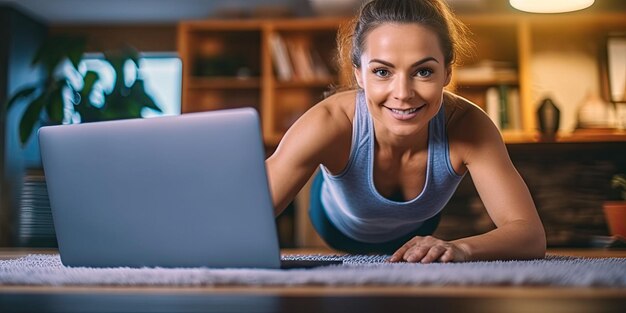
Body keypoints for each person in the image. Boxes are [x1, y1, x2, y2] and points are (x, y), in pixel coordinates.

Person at [265, 0, 546, 263]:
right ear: (359, 74)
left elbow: (529, 234)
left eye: (423, 71)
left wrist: (461, 247)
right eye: (382, 72)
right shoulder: (329, 121)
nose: (403, 94)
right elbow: (247, 211)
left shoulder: (468, 125)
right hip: (334, 225)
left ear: (447, 72)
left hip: (415, 230)